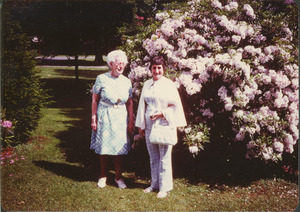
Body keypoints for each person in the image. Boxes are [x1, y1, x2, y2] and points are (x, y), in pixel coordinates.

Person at [135, 56, 187, 198]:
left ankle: (164, 187)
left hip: (163, 123)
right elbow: (141, 105)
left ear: (163, 69)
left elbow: (175, 105)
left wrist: (162, 113)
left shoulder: (169, 84)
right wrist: (141, 125)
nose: (156, 71)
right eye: (154, 68)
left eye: (159, 68)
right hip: (150, 123)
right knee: (153, 156)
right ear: (150, 69)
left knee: (164, 156)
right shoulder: (146, 84)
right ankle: (154, 184)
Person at [91, 50, 134, 189]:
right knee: (104, 147)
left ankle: (118, 177)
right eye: (118, 63)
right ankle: (103, 175)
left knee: (120, 148)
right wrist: (93, 118)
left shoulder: (127, 81)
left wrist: (131, 120)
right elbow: (94, 100)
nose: (121, 66)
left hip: (121, 116)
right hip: (105, 115)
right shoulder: (101, 78)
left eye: (123, 64)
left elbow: (130, 102)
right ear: (111, 64)